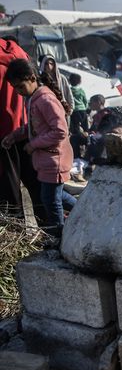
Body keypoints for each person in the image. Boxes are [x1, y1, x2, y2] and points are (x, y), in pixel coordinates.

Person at [1, 59, 75, 237]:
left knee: (51, 200)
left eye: (20, 87)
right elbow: (34, 128)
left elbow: (60, 131)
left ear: (32, 78)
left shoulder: (45, 100)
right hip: (46, 161)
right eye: (15, 88)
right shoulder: (33, 99)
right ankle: (86, 209)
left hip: (54, 159)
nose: (18, 92)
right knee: (54, 196)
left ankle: (59, 236)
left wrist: (33, 145)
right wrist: (14, 136)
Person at [0, 37, 43, 222]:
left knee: (8, 190)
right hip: (27, 129)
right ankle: (51, 231)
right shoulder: (17, 50)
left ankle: (15, 236)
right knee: (37, 185)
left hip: (3, 135)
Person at [68, 73, 89, 159]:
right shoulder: (81, 90)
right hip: (83, 110)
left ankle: (77, 152)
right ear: (79, 81)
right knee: (86, 128)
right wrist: (85, 108)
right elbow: (85, 101)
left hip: (74, 112)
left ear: (69, 81)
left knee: (75, 130)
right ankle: (88, 149)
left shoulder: (69, 90)